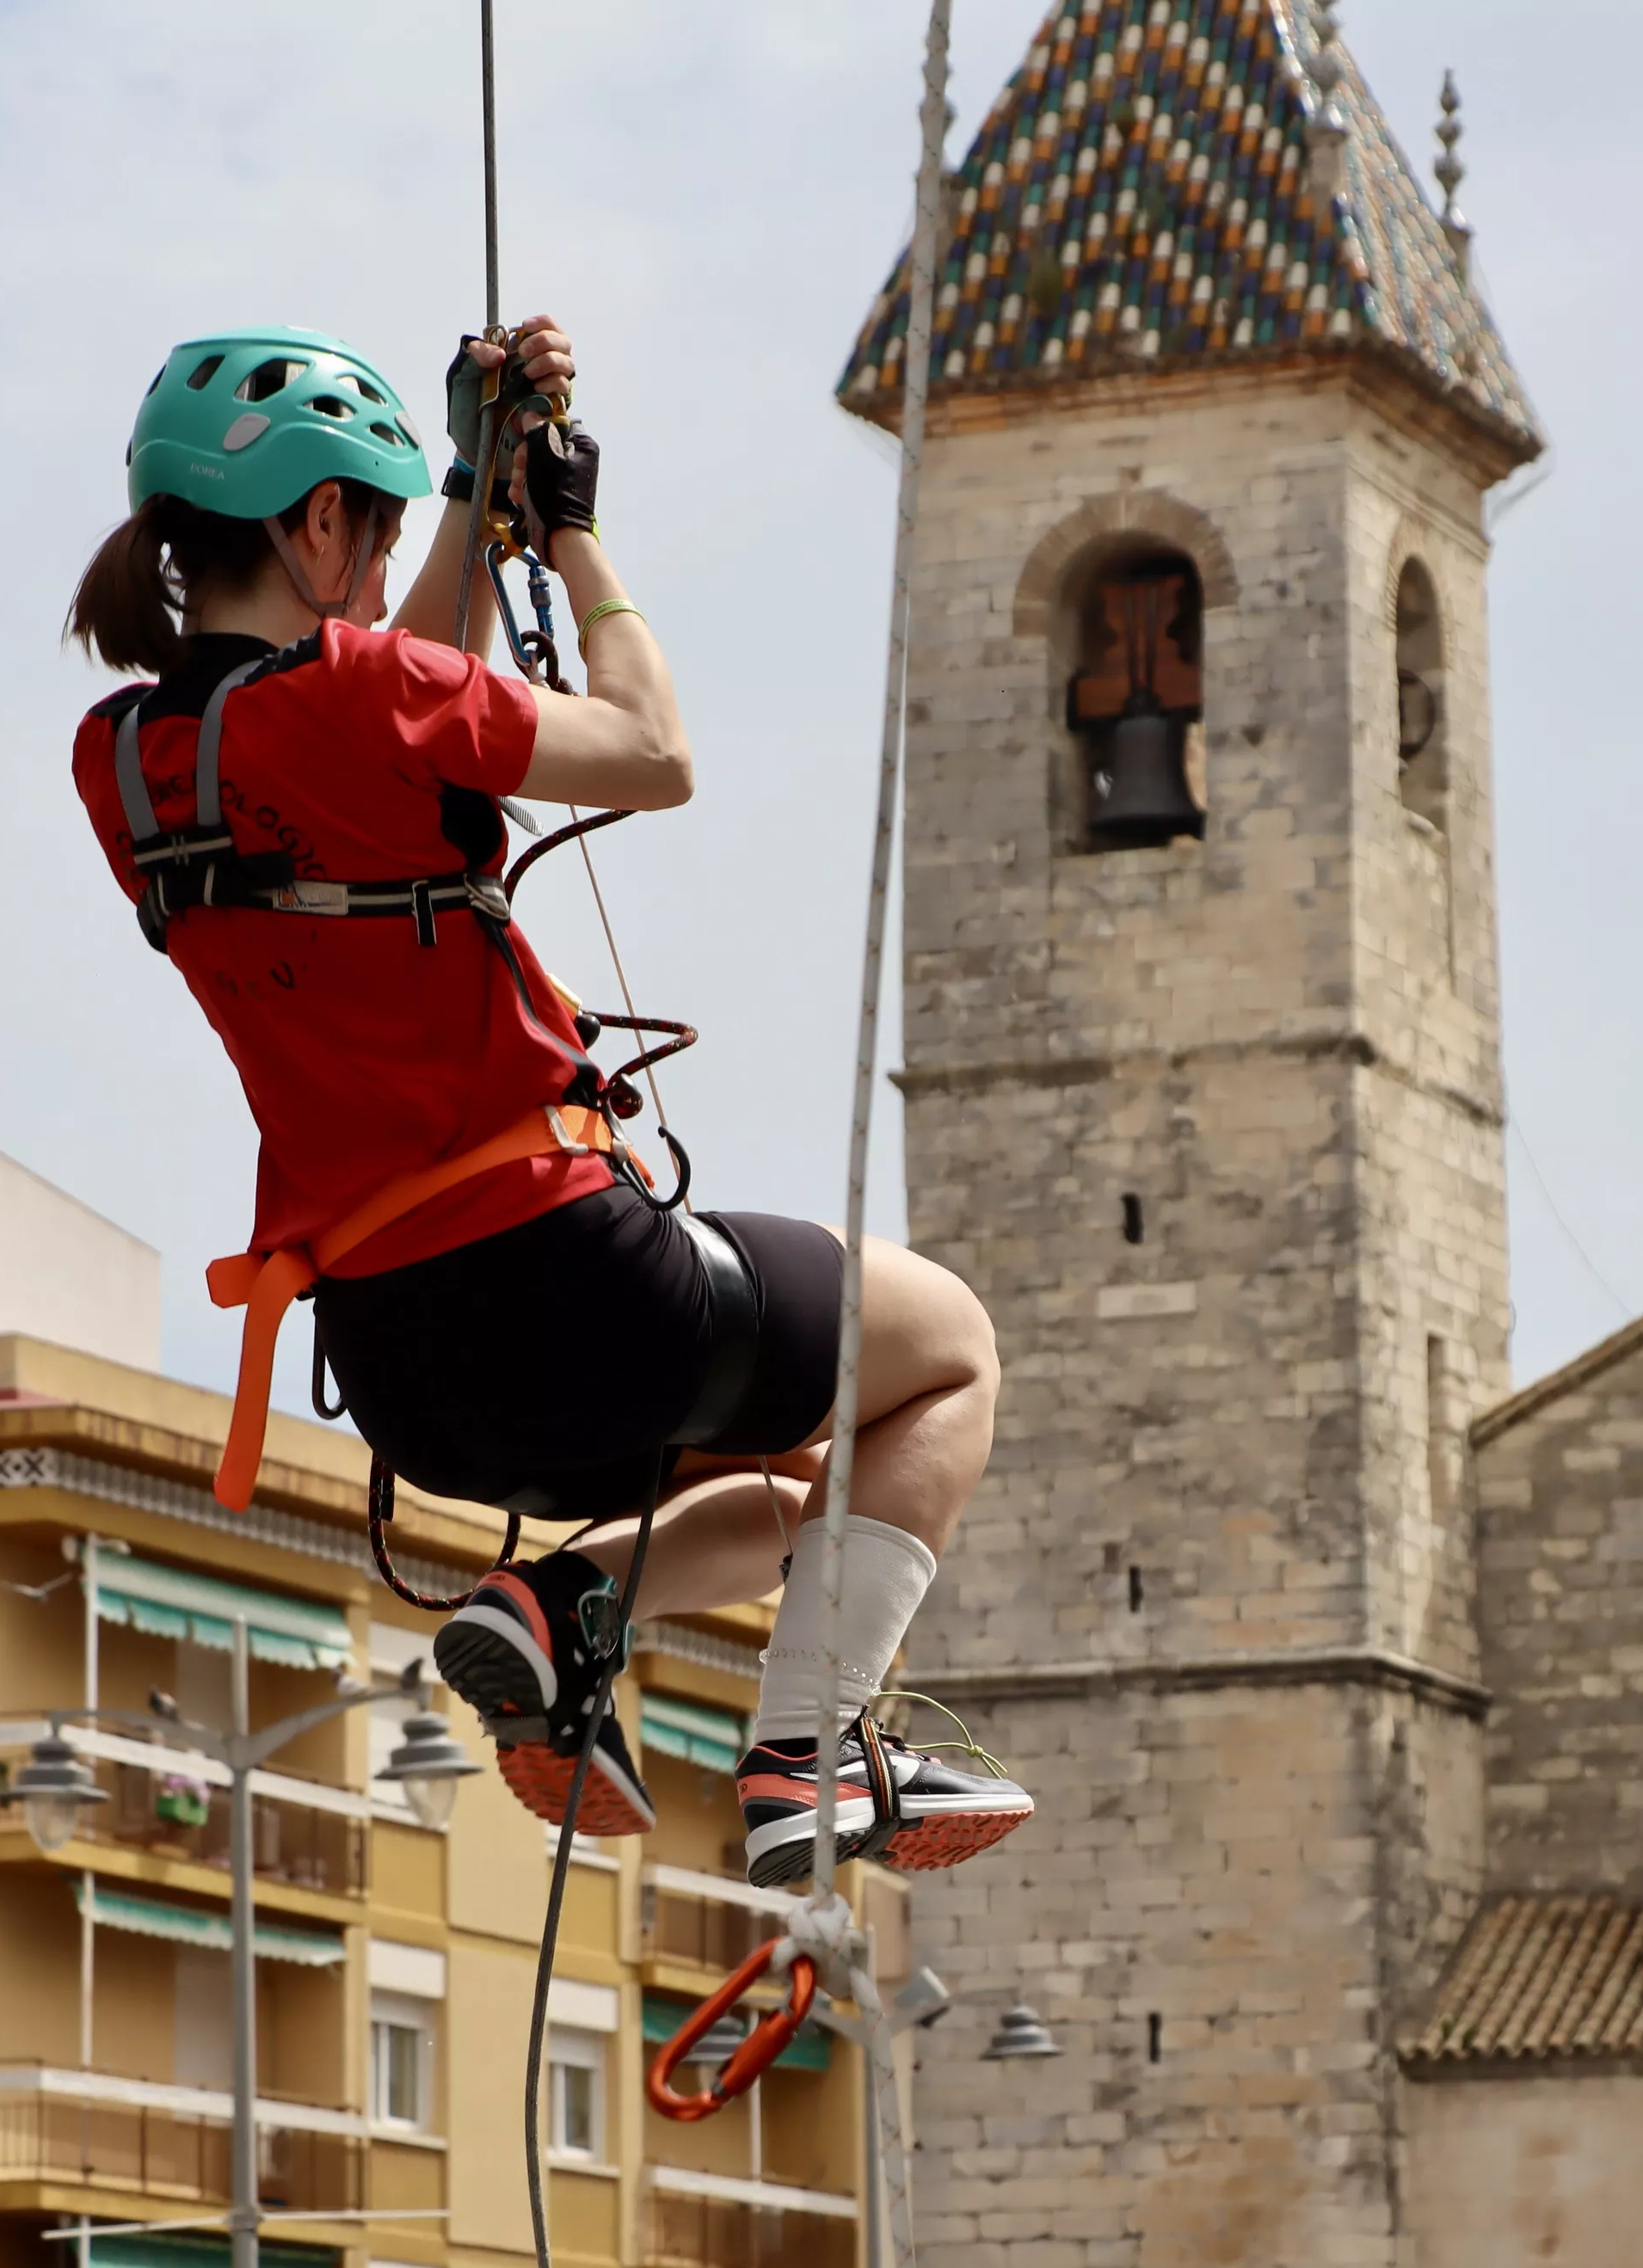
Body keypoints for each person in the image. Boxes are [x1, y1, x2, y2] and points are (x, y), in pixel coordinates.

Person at [65, 321, 1029, 1887]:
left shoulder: (126, 765)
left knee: (813, 1501)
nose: (380, 579)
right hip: (573, 1289)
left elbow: (373, 704)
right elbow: (651, 750)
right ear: (314, 528)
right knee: (945, 1361)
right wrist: (568, 532)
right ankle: (805, 1759)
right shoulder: (363, 696)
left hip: (403, 1371)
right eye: (366, 539)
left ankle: (569, 1605)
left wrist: (461, 488)